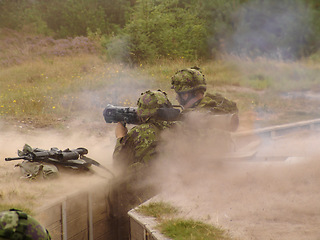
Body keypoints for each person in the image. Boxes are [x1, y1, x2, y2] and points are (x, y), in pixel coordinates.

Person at [109, 89, 175, 240]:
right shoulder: (175, 128)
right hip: (169, 190)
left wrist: (120, 138)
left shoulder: (139, 133)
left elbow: (119, 163)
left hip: (139, 197)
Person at [171, 66, 239, 131]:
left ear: (185, 95)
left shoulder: (200, 116)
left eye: (178, 94)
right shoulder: (214, 104)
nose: (176, 98)